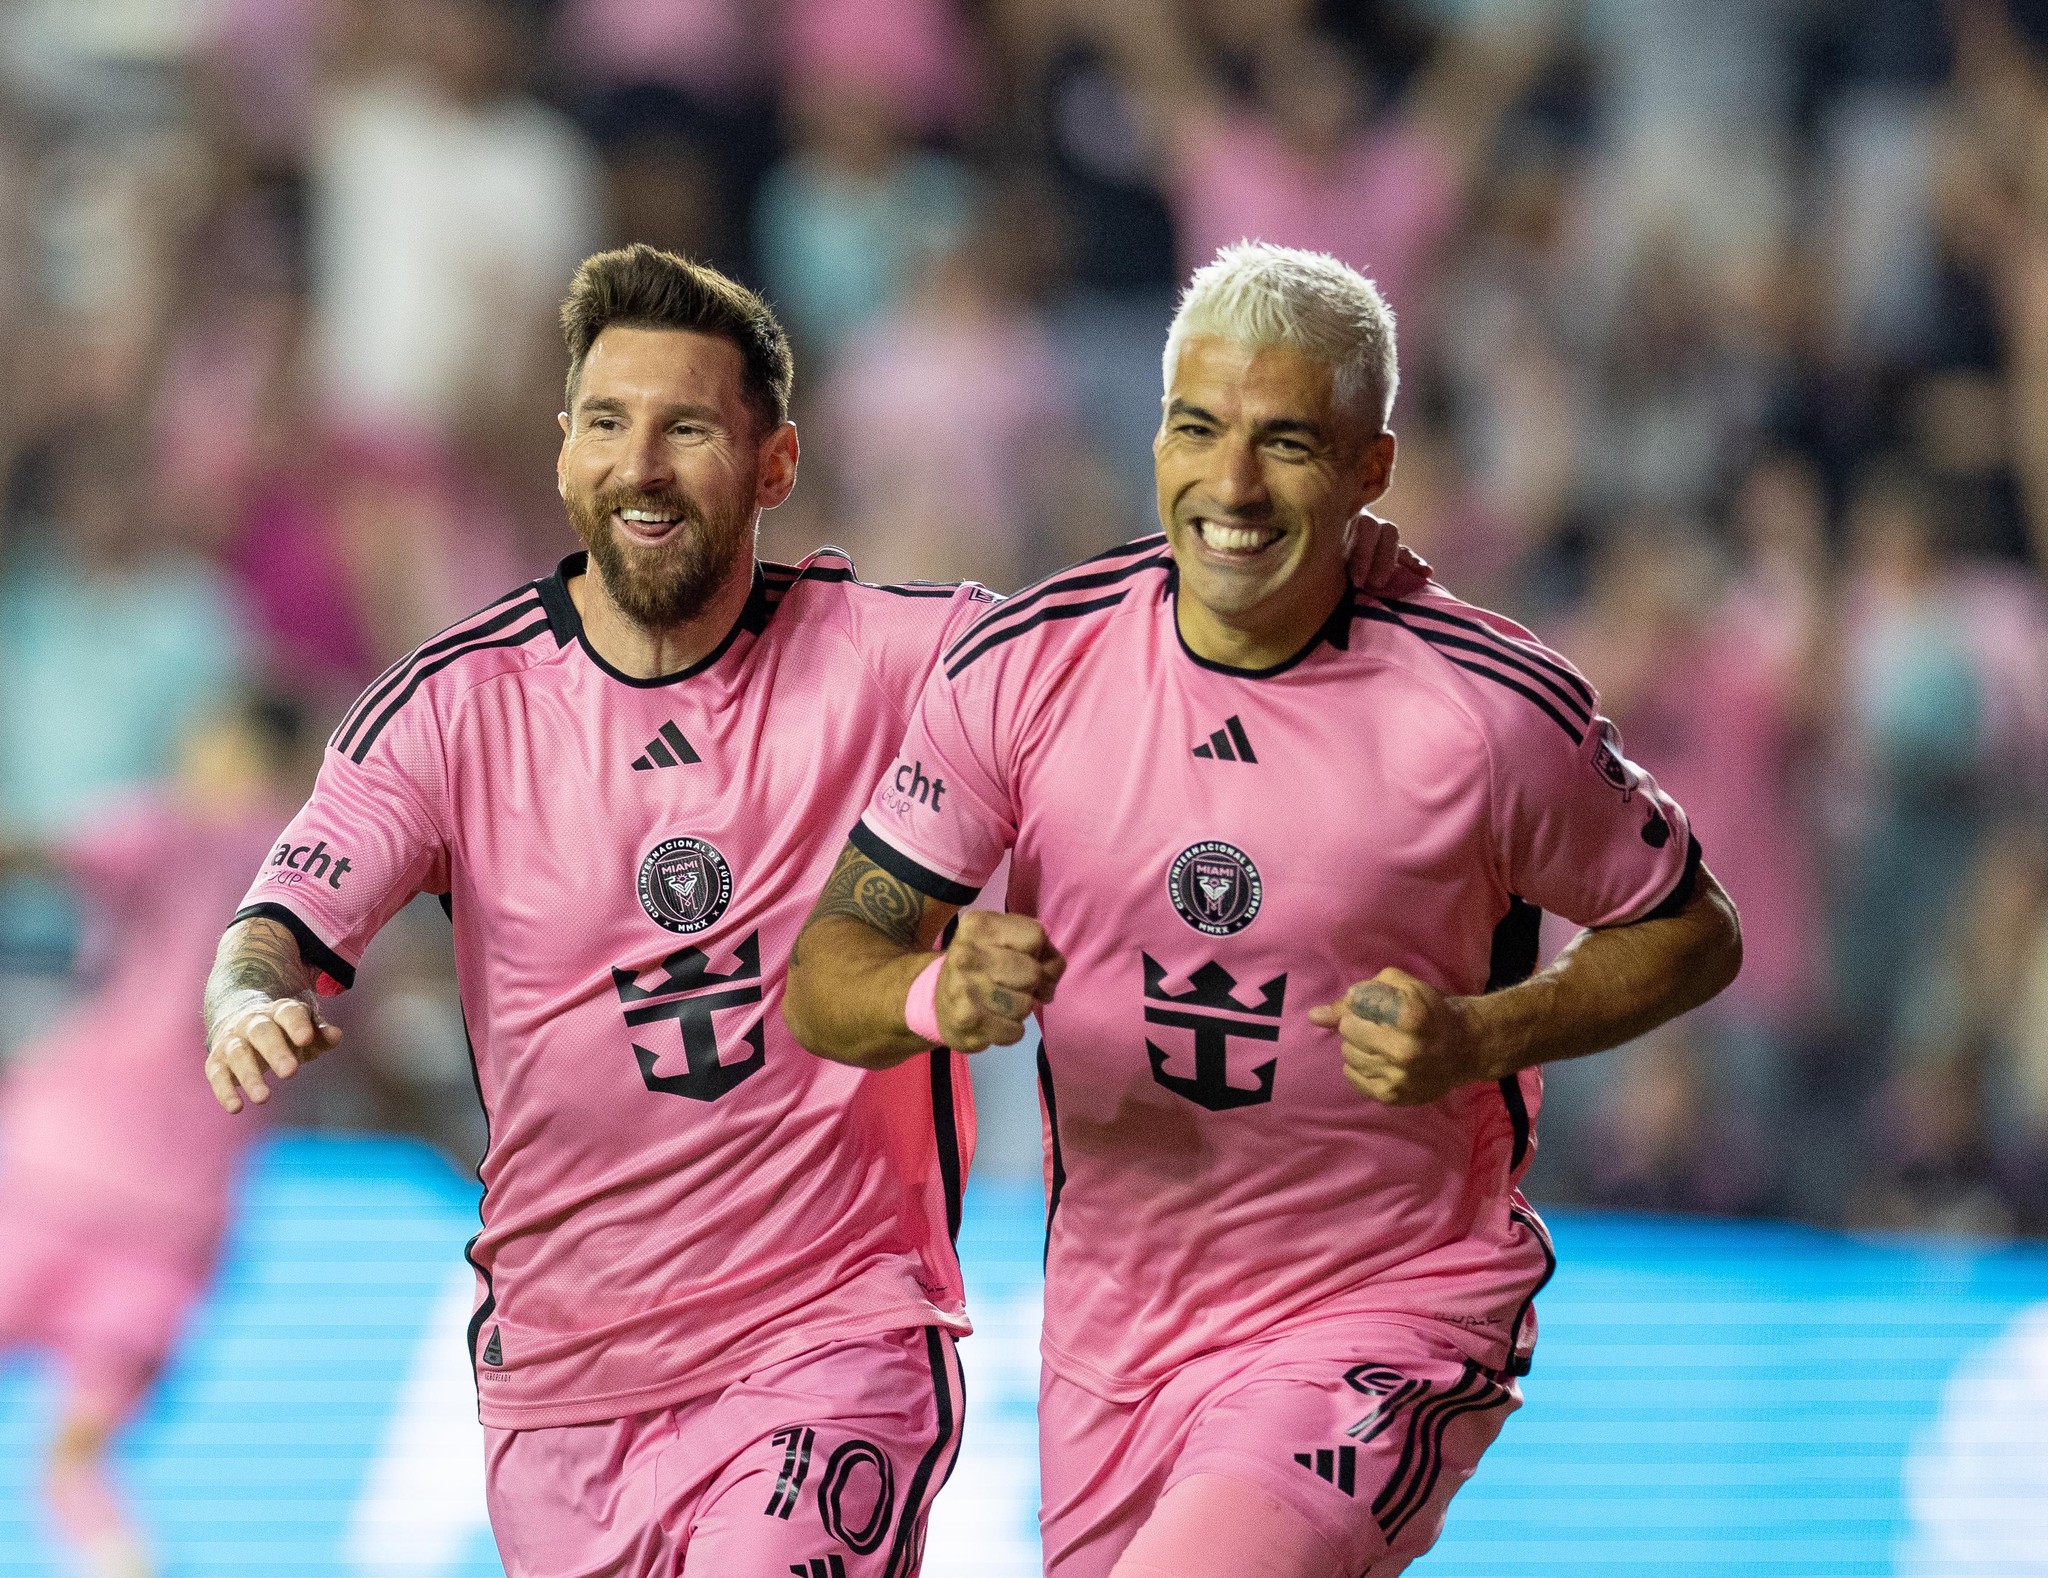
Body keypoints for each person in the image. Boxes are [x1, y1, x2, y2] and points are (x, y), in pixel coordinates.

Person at [199, 241, 1421, 1577]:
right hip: (558, 1396)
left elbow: (1136, 668)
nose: (641, 465)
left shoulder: (897, 657)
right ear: (565, 455)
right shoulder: (454, 708)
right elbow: (284, 916)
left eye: (686, 429)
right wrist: (252, 996)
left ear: (774, 465)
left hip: (831, 1348)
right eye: (607, 424)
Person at [784, 242, 1743, 1578]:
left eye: (1286, 442)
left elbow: (1694, 928)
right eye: (1199, 428)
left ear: (1371, 469)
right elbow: (826, 970)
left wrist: (1482, 1034)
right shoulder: (1025, 667)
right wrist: (928, 993)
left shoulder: (1486, 712)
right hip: (1113, 1337)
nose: (1230, 485)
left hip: (1387, 1307)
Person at [0, 696, 307, 1578]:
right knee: (77, 1470)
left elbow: (47, 851)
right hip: (180, 1220)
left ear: (231, 747)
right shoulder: (336, 886)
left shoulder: (172, 828)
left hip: (60, 1167)